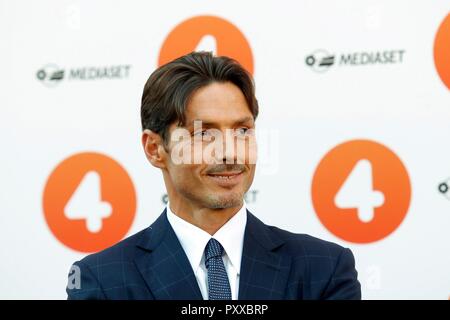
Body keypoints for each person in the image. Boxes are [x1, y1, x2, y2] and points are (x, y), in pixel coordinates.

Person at [66, 51, 361, 300]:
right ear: (155, 149)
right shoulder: (103, 280)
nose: (230, 152)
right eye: (203, 133)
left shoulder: (324, 269)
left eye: (242, 131)